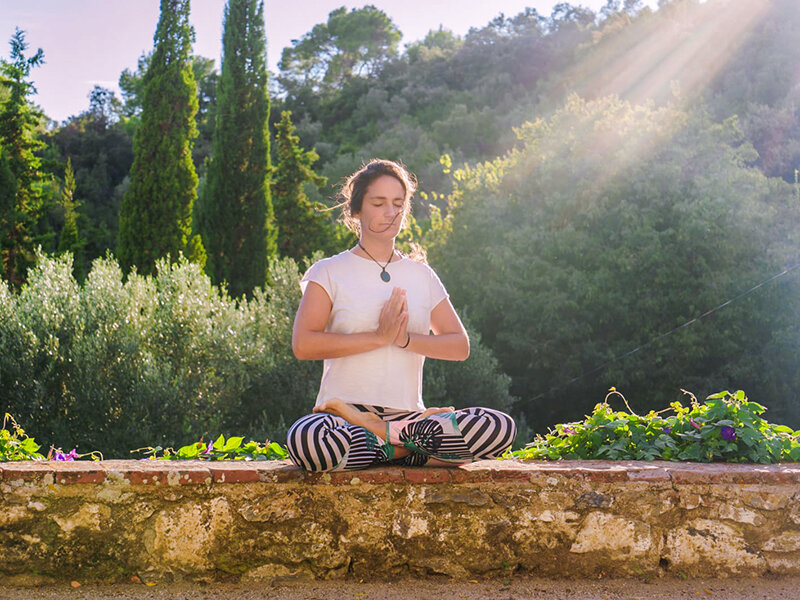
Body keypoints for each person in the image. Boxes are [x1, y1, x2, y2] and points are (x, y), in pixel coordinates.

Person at [286, 159, 516, 472]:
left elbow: (459, 346)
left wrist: (405, 339)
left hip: (410, 418)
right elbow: (304, 345)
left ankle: (385, 438)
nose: (390, 212)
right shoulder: (328, 272)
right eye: (378, 203)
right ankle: (411, 451)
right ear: (356, 210)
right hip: (342, 417)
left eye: (398, 203)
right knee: (308, 440)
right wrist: (378, 337)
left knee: (498, 427)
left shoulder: (422, 276)